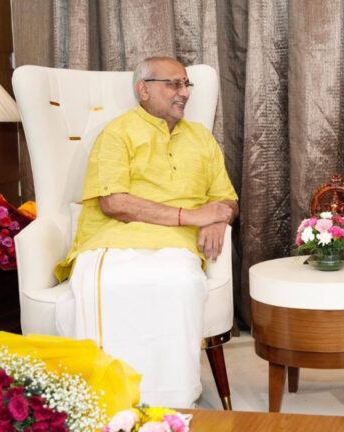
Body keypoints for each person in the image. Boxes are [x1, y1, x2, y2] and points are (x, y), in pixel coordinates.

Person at [54, 56, 238, 407]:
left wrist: (216, 219)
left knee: (181, 284)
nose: (183, 92)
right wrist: (192, 215)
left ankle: (175, 401)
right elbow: (114, 203)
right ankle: (106, 402)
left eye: (186, 84)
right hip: (113, 239)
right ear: (143, 90)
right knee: (108, 287)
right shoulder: (118, 133)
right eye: (173, 84)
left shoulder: (200, 138)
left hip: (177, 246)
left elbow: (227, 199)